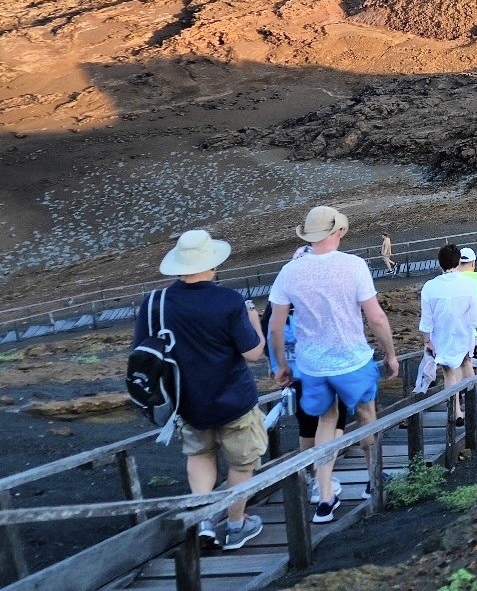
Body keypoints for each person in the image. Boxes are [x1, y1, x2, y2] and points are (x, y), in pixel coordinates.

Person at [134, 229, 267, 551]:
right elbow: (253, 353)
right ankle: (236, 524)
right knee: (242, 462)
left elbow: (142, 350)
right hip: (233, 400)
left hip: (187, 402)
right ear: (213, 264)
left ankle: (205, 520)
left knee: (200, 454)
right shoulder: (229, 301)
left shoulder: (155, 303)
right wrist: (254, 322)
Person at [267, 206, 399, 525]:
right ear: (338, 231)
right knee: (366, 414)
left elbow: (275, 325)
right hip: (352, 358)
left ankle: (324, 497)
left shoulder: (289, 272)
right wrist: (391, 354)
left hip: (313, 365)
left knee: (326, 421)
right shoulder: (353, 265)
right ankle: (373, 479)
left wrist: (282, 365)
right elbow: (376, 317)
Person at [261, 246, 351, 508]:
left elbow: (271, 333)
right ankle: (324, 481)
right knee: (333, 422)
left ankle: (314, 478)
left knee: (307, 425)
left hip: (294, 374)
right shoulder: (319, 296)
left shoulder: (279, 298)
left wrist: (276, 365)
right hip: (323, 370)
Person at [418, 244, 477, 425]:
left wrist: (427, 341)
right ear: (458, 261)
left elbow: (426, 319)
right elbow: (476, 316)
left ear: (440, 263)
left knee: (448, 373)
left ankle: (456, 412)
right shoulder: (469, 284)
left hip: (441, 336)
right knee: (467, 363)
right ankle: (471, 404)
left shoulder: (430, 287)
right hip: (464, 333)